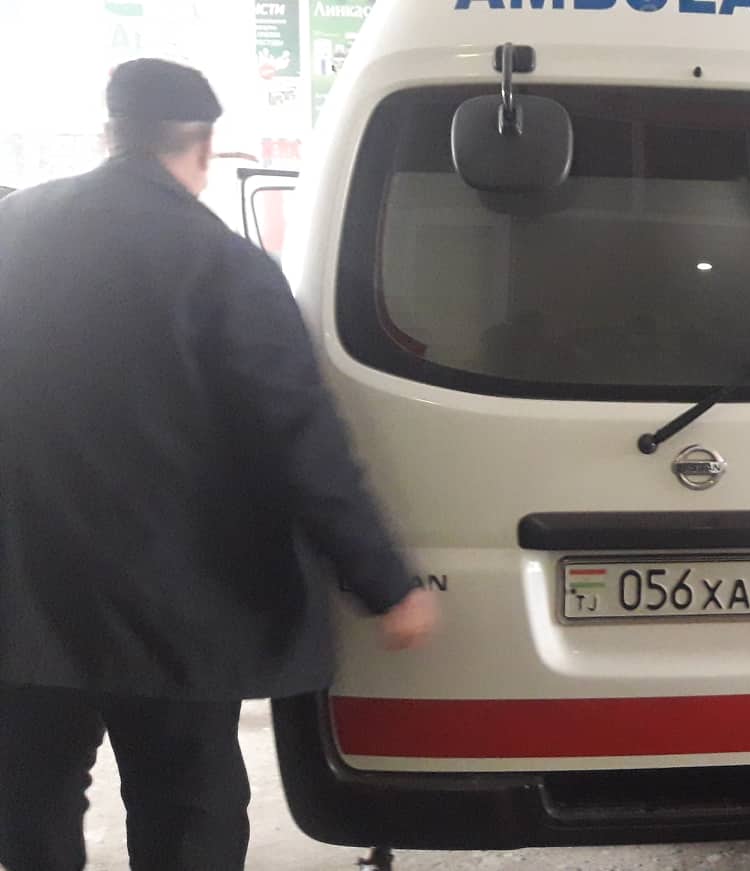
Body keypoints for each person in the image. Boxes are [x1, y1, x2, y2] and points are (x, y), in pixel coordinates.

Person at [0, 60, 438, 871]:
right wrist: (384, 583)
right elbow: (300, 440)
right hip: (177, 610)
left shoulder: (12, 233)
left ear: (110, 134)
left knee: (32, 797)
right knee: (185, 808)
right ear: (202, 148)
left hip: (25, 593)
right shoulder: (222, 264)